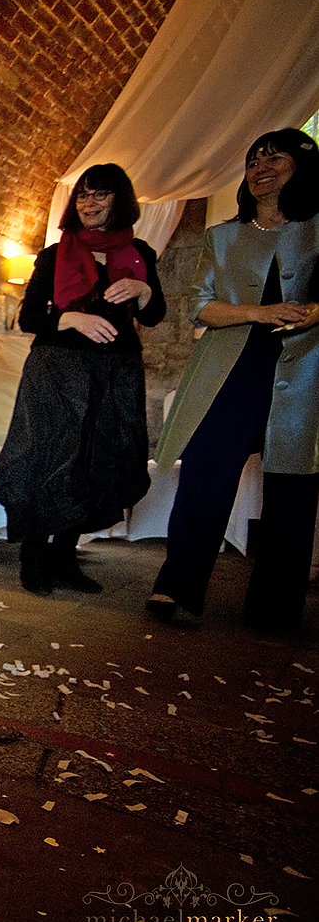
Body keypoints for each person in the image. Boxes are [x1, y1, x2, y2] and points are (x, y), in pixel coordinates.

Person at [150, 129, 319, 628]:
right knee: (205, 471)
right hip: (232, 368)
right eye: (252, 159)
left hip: (305, 370)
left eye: (274, 157)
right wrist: (260, 311)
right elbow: (200, 306)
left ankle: (275, 608)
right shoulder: (221, 236)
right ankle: (176, 587)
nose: (260, 166)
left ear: (303, 166)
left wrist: (314, 312)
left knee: (293, 486)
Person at [0, 163, 166, 596]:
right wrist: (72, 319)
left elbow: (155, 315)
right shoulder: (54, 254)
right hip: (57, 369)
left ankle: (64, 557)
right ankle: (33, 558)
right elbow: (29, 317)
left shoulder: (140, 252)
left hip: (116, 372)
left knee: (95, 461)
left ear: (119, 200)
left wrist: (144, 291)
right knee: (46, 456)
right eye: (83, 196)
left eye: (100, 195)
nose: (88, 203)